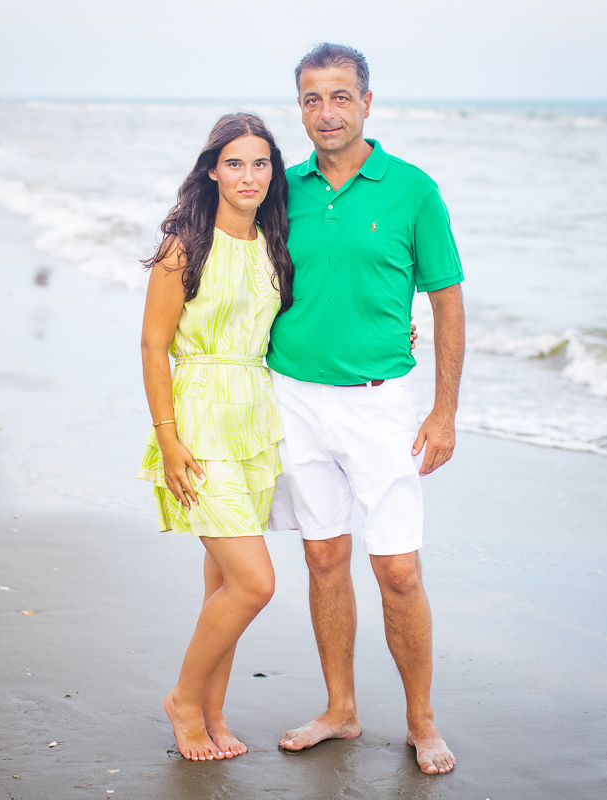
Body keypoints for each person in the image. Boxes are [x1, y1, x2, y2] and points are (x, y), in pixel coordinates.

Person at [266, 43, 465, 776]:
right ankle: (341, 709)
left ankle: (422, 721)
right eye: (313, 99)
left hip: (383, 407)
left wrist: (443, 412)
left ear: (367, 103)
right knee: (323, 556)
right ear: (300, 106)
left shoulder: (412, 190)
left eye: (341, 97)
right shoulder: (281, 192)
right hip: (293, 398)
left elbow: (446, 303)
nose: (326, 112)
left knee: (399, 570)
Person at [138, 113, 294, 761]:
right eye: (235, 163)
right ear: (212, 170)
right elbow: (152, 345)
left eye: (261, 163)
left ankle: (212, 711)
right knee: (256, 583)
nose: (249, 175)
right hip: (198, 425)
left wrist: (397, 334)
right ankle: (182, 700)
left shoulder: (274, 243)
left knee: (223, 586)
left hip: (255, 422)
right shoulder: (184, 247)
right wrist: (168, 440)